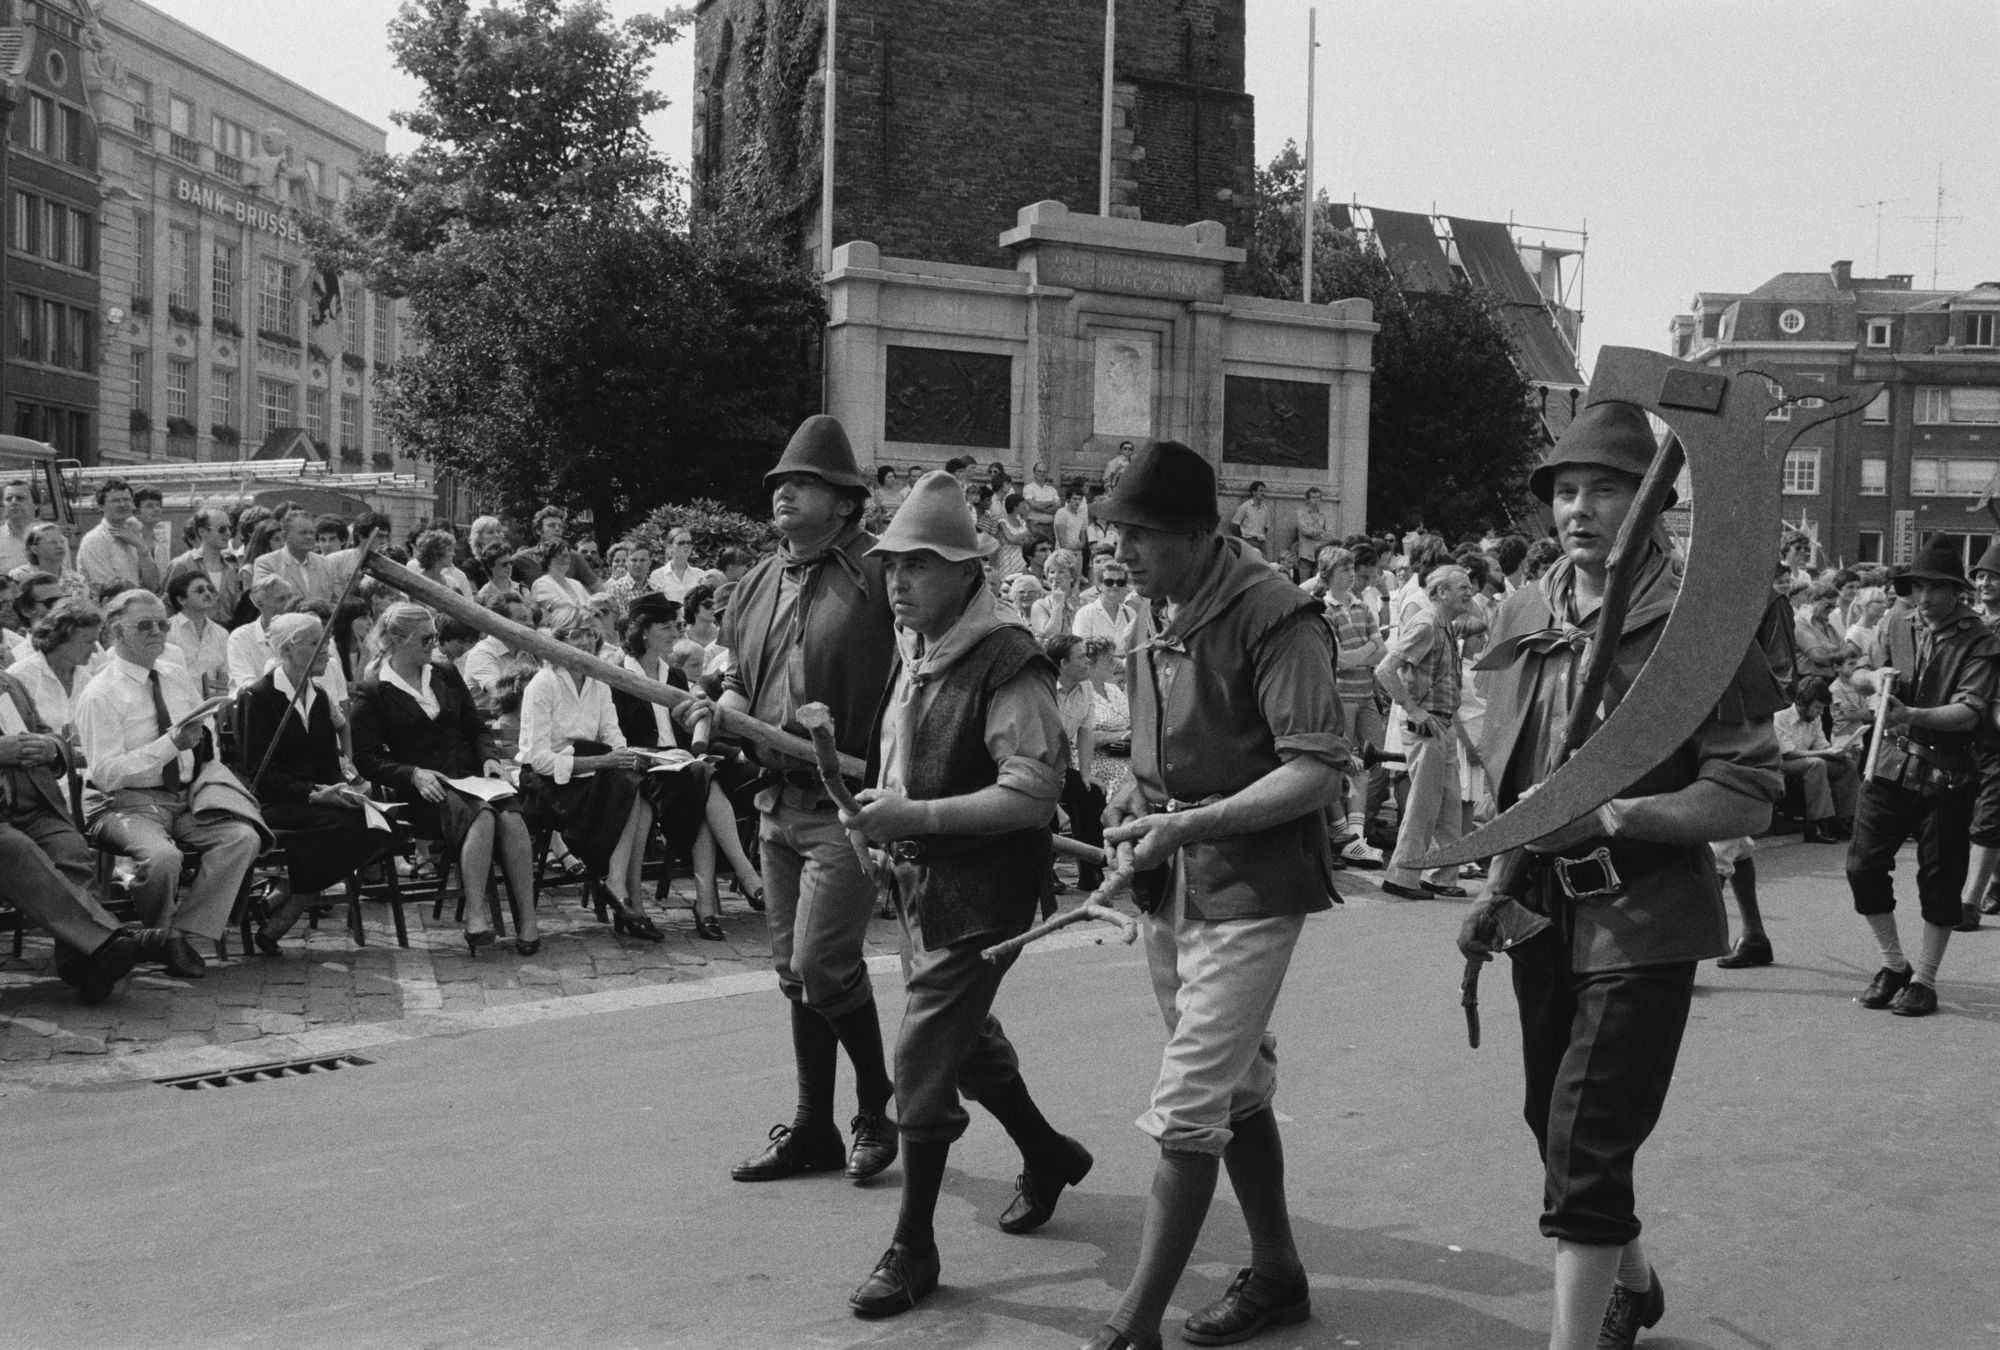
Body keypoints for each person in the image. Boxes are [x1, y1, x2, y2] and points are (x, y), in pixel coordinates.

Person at [1457, 401, 1784, 1350]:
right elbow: (1517, 771)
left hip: (1645, 909)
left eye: (1606, 488)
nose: (1580, 508)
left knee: (1589, 1132)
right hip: (1536, 905)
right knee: (1548, 1116)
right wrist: (1492, 886)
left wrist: (1623, 812)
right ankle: (1631, 1284)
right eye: (1565, 489)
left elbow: (1749, 792)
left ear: (1654, 502)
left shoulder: (1704, 621)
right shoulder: (1524, 610)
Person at [1079, 441, 1346, 1350]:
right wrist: (1134, 787)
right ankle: (1278, 1273)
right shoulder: (1160, 607)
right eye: (1114, 532)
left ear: (1201, 532)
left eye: (1140, 535)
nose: (1121, 553)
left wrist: (1187, 823)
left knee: (1190, 1100)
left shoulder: (1279, 616)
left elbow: (1313, 771)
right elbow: (1164, 751)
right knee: (1236, 1088)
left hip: (1254, 886)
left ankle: (1132, 1325)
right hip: (1174, 881)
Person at [837, 470, 1083, 1319]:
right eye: (891, 564)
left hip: (985, 891)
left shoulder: (1010, 660)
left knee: (920, 1060)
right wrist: (883, 821)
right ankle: (1048, 1153)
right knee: (964, 1041)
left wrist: (916, 815)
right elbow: (910, 759)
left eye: (918, 565)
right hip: (922, 879)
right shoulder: (923, 643)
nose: (897, 581)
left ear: (968, 570)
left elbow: (1032, 793)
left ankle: (914, 1247)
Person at [696, 415, 900, 1188]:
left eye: (803, 484)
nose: (784, 494)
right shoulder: (757, 579)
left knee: (823, 964)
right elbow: (739, 673)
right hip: (775, 799)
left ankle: (876, 1107)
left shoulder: (880, 574)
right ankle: (815, 1125)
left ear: (844, 504)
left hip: (847, 804)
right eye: (780, 484)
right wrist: (720, 702)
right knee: (793, 971)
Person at [1845, 534, 2000, 1016]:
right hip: (1886, 764)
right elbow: (1859, 671)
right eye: (1918, 586)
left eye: (1936, 588)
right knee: (1862, 867)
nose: (1924, 597)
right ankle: (1894, 965)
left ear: (1957, 591)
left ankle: (1926, 980)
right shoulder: (1896, 621)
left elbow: (1970, 713)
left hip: (1946, 775)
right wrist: (1873, 682)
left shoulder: (1981, 641)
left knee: (1939, 882)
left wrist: (1908, 714)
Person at [75, 590, 264, 980]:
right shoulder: (100, 693)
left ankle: (176, 933)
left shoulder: (174, 674)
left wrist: (202, 747)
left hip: (183, 795)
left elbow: (200, 729)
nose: (158, 632)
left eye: (162, 623)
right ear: (115, 633)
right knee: (163, 859)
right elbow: (105, 773)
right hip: (123, 803)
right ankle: (165, 938)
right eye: (144, 625)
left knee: (242, 838)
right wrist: (169, 746)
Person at [351, 603, 539, 954]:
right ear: (396, 640)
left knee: (512, 818)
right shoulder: (374, 690)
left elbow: (474, 728)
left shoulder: (444, 673)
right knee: (482, 817)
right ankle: (475, 916)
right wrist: (413, 774)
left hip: (471, 777)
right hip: (426, 791)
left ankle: (527, 920)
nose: (434, 644)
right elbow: (366, 759)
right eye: (426, 638)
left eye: (435, 637)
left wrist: (489, 760)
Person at [0, 659, 167, 1002]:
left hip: (31, 804)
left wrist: (51, 748)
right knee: (14, 847)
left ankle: (86, 965)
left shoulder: (8, 684)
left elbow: (50, 735)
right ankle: (106, 944)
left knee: (71, 849)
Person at [238, 613, 399, 954]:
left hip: (320, 799)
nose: (326, 650)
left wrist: (342, 789)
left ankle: (285, 898)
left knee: (383, 824)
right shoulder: (258, 697)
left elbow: (328, 763)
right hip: (277, 802)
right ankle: (291, 907)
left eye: (325, 642)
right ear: (287, 649)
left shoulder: (321, 696)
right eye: (315, 643)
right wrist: (315, 795)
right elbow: (259, 771)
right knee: (352, 828)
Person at [614, 594, 764, 940]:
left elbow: (690, 736)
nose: (673, 633)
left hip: (681, 768)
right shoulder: (617, 675)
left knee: (701, 778)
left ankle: (709, 905)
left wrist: (710, 753)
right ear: (642, 632)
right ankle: (735, 882)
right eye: (665, 627)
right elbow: (614, 735)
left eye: (675, 626)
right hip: (641, 769)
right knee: (702, 780)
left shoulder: (675, 676)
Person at [1376, 565, 1475, 900]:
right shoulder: (1427, 623)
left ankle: (1440, 876)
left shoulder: (1443, 623)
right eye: (1461, 586)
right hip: (1427, 724)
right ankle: (1402, 877)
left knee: (1448, 805)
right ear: (1440, 592)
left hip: (1441, 724)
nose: (1469, 591)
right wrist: (1413, 709)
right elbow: (1386, 670)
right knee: (1424, 805)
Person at [1319, 546, 1388, 868]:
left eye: (1351, 569)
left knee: (1368, 761)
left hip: (1366, 695)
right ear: (1330, 574)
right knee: (1343, 763)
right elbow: (1339, 661)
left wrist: (1361, 654)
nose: (1351, 574)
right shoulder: (1324, 609)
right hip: (1343, 696)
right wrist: (1367, 650)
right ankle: (1341, 834)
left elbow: (1382, 651)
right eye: (1344, 570)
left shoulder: (1363, 606)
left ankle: (1355, 836)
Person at [1773, 675, 1858, 842]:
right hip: (1783, 763)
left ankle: (1844, 819)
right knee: (1816, 764)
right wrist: (1824, 754)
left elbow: (1821, 745)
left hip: (1805, 759)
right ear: (1803, 704)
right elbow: (1788, 753)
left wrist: (1838, 752)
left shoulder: (1815, 718)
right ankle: (1817, 823)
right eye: (1818, 707)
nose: (1821, 712)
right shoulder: (1780, 718)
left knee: (1846, 765)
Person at [10, 594, 103, 738]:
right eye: (89, 642)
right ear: (62, 638)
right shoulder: (20, 676)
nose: (95, 650)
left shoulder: (87, 681)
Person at [77, 478, 161, 596]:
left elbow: (153, 585)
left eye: (126, 499)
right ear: (101, 506)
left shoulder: (134, 537)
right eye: (115, 501)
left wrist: (142, 548)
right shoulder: (95, 540)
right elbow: (108, 590)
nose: (122, 504)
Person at [167, 508, 246, 623]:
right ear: (202, 531)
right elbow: (168, 605)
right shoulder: (182, 564)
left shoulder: (230, 569)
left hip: (224, 634)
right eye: (222, 529)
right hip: (191, 633)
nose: (228, 533)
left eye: (230, 528)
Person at [252, 508, 339, 607]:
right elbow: (265, 603)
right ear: (285, 536)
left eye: (311, 532)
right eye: (303, 533)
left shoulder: (327, 564)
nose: (309, 537)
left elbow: (337, 603)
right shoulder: (266, 563)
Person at [164, 572, 230, 699]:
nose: (208, 594)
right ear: (181, 599)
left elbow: (223, 679)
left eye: (210, 589)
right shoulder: (167, 631)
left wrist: (217, 710)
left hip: (212, 709)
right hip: (178, 706)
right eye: (199, 590)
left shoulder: (222, 633)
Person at [227, 574, 297, 692]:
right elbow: (246, 683)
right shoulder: (240, 637)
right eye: (281, 599)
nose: (289, 604)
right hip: (254, 703)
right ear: (259, 604)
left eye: (290, 597)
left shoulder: (302, 633)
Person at [530, 540, 593, 631]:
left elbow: (591, 605)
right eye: (560, 556)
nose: (565, 559)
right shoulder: (540, 584)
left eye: (567, 555)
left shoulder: (576, 584)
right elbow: (561, 609)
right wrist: (588, 611)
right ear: (547, 559)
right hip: (559, 634)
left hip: (584, 630)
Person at [412, 528, 474, 600]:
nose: (453, 554)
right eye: (449, 550)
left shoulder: (450, 582)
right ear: (436, 553)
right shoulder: (417, 581)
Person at [1292, 486, 1335, 584]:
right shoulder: (1301, 512)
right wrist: (1320, 533)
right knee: (1304, 582)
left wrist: (1314, 533)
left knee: (1318, 582)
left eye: (1318, 497)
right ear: (1308, 499)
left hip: (1320, 551)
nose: (1316, 500)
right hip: (1306, 551)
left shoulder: (1325, 513)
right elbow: (1304, 530)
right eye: (1313, 497)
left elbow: (1330, 533)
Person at [647, 528, 701, 602]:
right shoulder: (658, 575)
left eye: (689, 543)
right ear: (670, 547)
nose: (686, 546)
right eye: (681, 543)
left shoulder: (700, 574)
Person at [1229, 480, 1269, 556]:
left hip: (1261, 542)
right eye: (1261, 491)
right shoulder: (1245, 507)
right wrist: (1243, 539)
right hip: (1248, 541)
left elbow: (1266, 527)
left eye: (1264, 491)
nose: (1263, 493)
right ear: (1254, 492)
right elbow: (1234, 524)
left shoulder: (1265, 509)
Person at [1052, 482, 1090, 554]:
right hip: (1062, 554)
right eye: (1074, 499)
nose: (1077, 502)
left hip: (1078, 554)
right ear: (1068, 500)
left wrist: (1078, 547)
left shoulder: (1081, 516)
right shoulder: (1061, 513)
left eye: (1079, 499)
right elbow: (1062, 542)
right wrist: (1076, 547)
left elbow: (1083, 540)